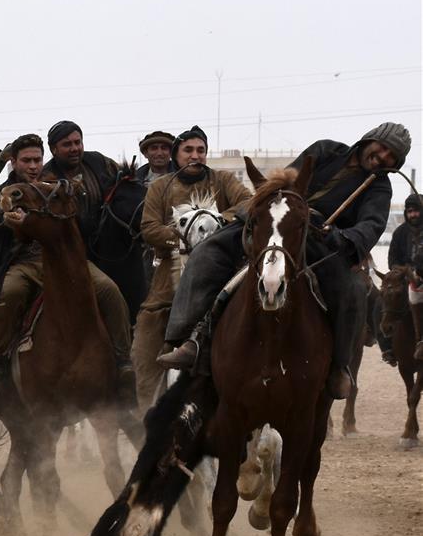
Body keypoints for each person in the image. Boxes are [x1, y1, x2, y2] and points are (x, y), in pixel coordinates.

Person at [158, 122, 411, 399]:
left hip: (323, 243)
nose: (384, 157)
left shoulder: (380, 189)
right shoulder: (326, 150)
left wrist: (342, 237)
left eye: (392, 158)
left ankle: (339, 366)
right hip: (277, 219)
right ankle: (188, 339)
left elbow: (371, 226)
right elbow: (286, 181)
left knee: (353, 290)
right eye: (384, 148)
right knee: (207, 252)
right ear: (370, 139)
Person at [0, 133, 135, 399]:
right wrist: (7, 219)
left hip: (66, 261)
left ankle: (123, 360)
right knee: (10, 294)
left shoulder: (56, 187)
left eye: (37, 160)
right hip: (25, 263)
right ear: (13, 163)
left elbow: (82, 220)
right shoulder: (1, 193)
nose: (32, 166)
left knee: (109, 290)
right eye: (26, 160)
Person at [132, 126, 251, 421]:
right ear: (177, 155)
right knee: (144, 346)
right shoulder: (159, 187)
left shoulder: (222, 180)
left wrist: (211, 225)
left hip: (218, 275)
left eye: (200, 150)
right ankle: (150, 418)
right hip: (168, 279)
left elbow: (248, 204)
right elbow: (149, 228)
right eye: (189, 150)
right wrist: (184, 236)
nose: (195, 156)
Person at [40, 120, 121, 256]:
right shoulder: (46, 178)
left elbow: (124, 181)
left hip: (108, 245)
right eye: (67, 144)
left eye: (78, 142)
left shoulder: (99, 162)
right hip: (70, 251)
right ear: (54, 149)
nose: (74, 148)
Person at [136, 130, 177, 290]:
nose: (159, 153)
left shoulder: (183, 176)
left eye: (164, 148)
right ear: (146, 153)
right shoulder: (134, 180)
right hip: (142, 247)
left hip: (174, 245)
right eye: (154, 148)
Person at [384, 193, 423, 361]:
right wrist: (399, 271)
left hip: (422, 278)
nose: (412, 214)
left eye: (416, 211)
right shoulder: (400, 232)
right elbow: (392, 258)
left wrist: (418, 272)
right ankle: (388, 348)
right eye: (409, 211)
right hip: (403, 278)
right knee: (383, 303)